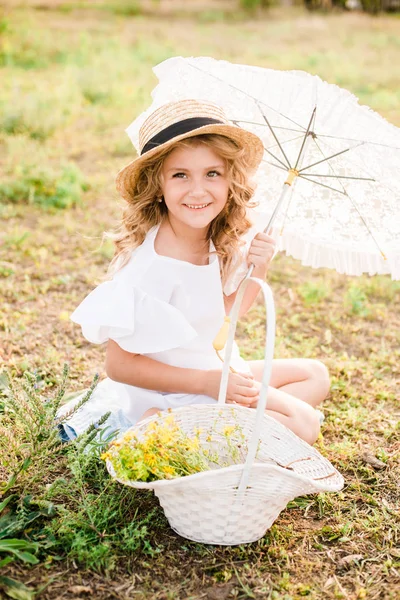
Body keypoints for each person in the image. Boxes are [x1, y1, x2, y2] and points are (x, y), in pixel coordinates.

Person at [58, 99, 329, 445]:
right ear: (159, 185)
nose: (198, 190)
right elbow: (119, 368)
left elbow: (223, 317)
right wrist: (207, 384)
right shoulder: (150, 268)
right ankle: (165, 427)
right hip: (174, 390)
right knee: (303, 423)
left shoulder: (209, 241)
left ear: (231, 181)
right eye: (180, 175)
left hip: (212, 371)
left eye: (212, 173)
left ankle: (208, 431)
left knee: (314, 376)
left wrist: (259, 268)